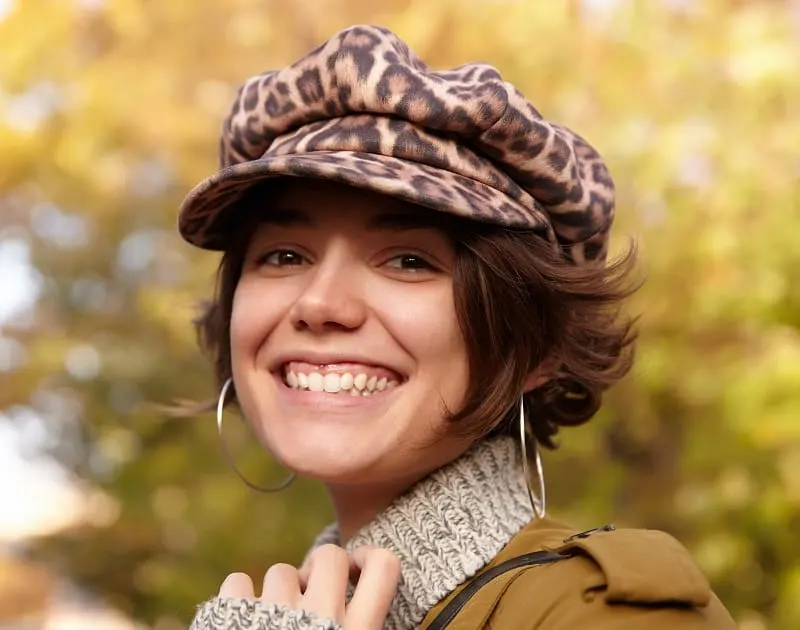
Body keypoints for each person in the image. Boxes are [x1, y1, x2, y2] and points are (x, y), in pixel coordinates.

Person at [178, 24, 736, 630]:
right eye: (284, 255)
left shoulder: (611, 616)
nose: (319, 302)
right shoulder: (284, 607)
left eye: (408, 261)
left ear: (535, 346)